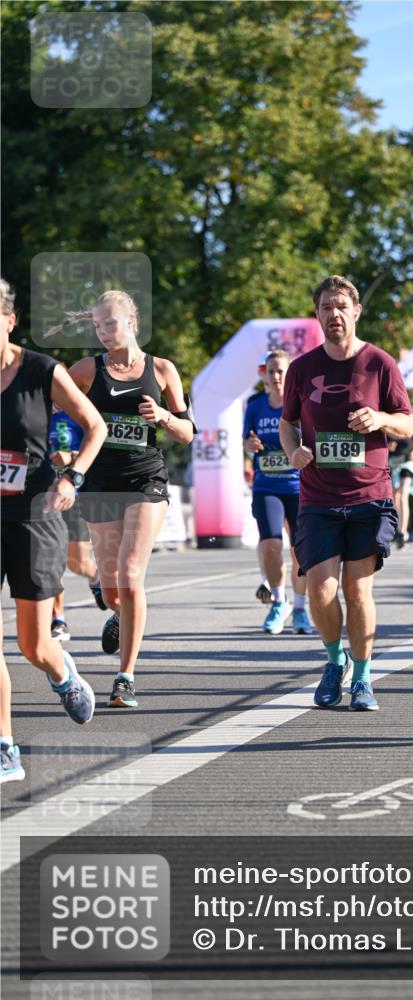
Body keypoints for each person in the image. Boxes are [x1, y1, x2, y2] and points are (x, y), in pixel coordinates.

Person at [280, 275, 413, 711]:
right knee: (319, 590)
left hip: (368, 496)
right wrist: (293, 449)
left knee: (358, 592)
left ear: (356, 312)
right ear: (317, 315)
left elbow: (407, 423)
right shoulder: (301, 368)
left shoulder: (380, 363)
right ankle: (334, 661)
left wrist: (380, 419)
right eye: (325, 308)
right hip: (317, 497)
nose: (333, 314)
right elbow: (288, 421)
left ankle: (363, 677)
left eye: (341, 306)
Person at [64, 290, 195, 708]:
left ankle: (125, 677)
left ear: (132, 322)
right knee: (110, 585)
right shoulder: (86, 370)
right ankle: (119, 614)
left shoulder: (161, 369)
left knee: (130, 570)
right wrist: (64, 447)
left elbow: (188, 432)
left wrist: (165, 417)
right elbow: (53, 407)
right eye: (97, 325)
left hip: (146, 480)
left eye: (111, 323)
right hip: (101, 483)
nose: (103, 332)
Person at [1, 278, 107, 783]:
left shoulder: (41, 370)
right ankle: (6, 747)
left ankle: (61, 672)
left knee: (32, 645)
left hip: (33, 512)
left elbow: (95, 427)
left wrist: (73, 476)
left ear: (9, 321)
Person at [243, 349, 313, 635]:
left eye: (281, 371)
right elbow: (247, 440)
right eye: (270, 371)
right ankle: (278, 601)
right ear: (264, 375)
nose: (275, 376)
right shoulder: (255, 405)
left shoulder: (301, 404)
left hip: (298, 486)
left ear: (290, 374)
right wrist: (249, 446)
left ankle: (299, 608)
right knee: (271, 545)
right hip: (266, 485)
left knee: (300, 550)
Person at [49, 407, 106, 642]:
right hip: (38, 496)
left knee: (77, 563)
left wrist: (71, 456)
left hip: (72, 496)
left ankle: (96, 577)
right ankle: (58, 620)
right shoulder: (27, 411)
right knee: (49, 562)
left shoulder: (75, 416)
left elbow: (96, 448)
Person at [389, 432, 413, 548]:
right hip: (393, 464)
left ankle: (402, 533)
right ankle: (397, 530)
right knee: (395, 498)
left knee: (403, 496)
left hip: (406, 464)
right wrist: (388, 446)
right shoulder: (389, 428)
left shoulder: (409, 428)